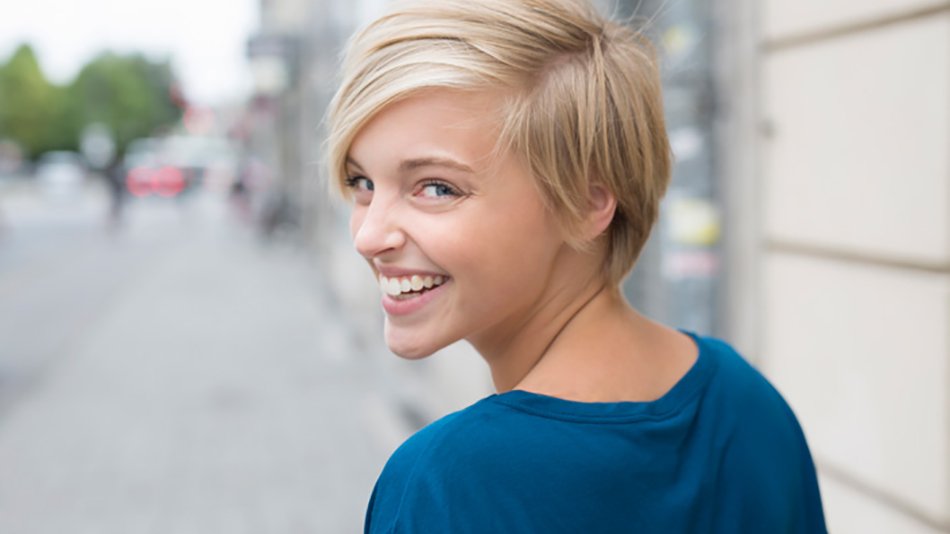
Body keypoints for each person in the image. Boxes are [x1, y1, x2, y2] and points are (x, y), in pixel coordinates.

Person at [327, 0, 827, 532]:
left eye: (436, 187)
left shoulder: (448, 482)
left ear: (588, 203)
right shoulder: (746, 401)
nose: (368, 235)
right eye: (363, 183)